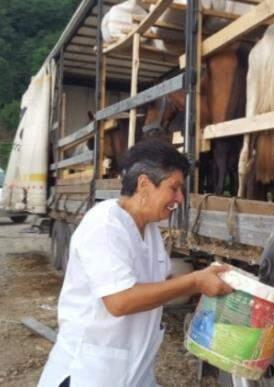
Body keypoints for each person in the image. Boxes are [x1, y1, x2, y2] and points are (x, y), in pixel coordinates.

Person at [38, 140, 233, 387]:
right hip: (89, 374)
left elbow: (159, 286)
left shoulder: (148, 229)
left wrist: (210, 285)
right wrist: (195, 282)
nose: (180, 198)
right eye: (174, 188)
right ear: (144, 184)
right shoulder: (105, 226)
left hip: (132, 373)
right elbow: (120, 301)